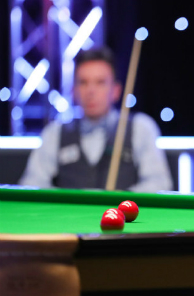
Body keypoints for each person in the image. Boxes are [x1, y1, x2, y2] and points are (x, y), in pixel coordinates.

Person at [19, 47, 173, 192]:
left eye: (100, 82)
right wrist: (68, 201)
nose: (91, 91)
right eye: (83, 82)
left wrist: (119, 201)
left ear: (116, 91)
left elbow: (159, 184)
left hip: (120, 212)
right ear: (74, 91)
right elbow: (31, 184)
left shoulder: (141, 127)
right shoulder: (54, 132)